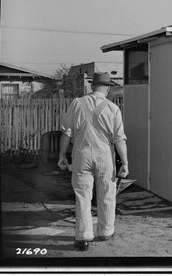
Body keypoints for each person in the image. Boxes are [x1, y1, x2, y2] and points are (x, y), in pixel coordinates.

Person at [58, 72, 129, 251]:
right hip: (105, 156)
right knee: (107, 194)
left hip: (81, 155)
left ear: (91, 86)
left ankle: (83, 237)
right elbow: (119, 139)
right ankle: (105, 232)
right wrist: (125, 163)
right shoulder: (113, 108)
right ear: (108, 88)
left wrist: (61, 156)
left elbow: (66, 132)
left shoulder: (76, 103)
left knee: (83, 197)